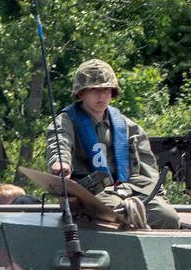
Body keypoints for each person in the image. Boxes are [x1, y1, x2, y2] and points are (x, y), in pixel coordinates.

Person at [46, 59, 180, 229]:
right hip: (90, 194)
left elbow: (148, 171)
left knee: (167, 217)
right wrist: (61, 163)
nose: (101, 96)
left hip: (129, 189)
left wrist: (157, 195)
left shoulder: (128, 127)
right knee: (117, 214)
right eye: (94, 90)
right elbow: (59, 141)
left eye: (106, 90)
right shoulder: (66, 121)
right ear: (81, 93)